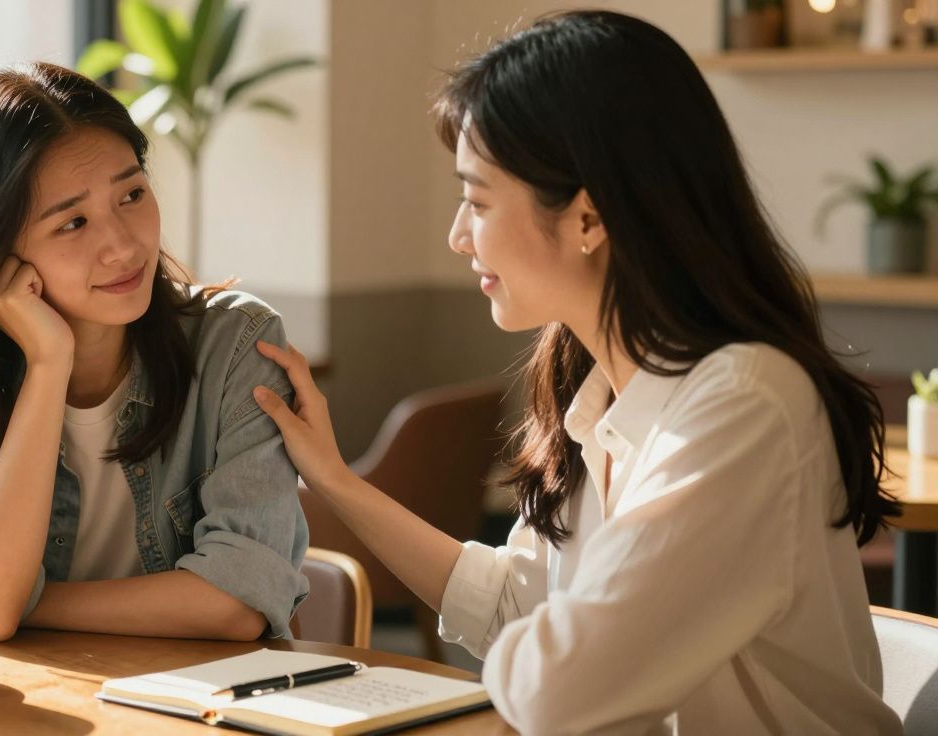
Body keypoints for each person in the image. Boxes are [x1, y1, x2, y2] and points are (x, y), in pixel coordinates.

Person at [252, 11, 902, 734]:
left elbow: (560, 691)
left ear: (588, 219)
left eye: (477, 200)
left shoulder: (744, 405)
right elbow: (514, 606)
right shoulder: (601, 395)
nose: (458, 236)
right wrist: (334, 478)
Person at [0, 62, 308, 644]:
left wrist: (25, 603)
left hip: (205, 691)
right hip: (33, 696)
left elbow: (237, 604)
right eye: (73, 222)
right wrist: (49, 364)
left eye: (132, 194)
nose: (123, 246)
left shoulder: (237, 344)